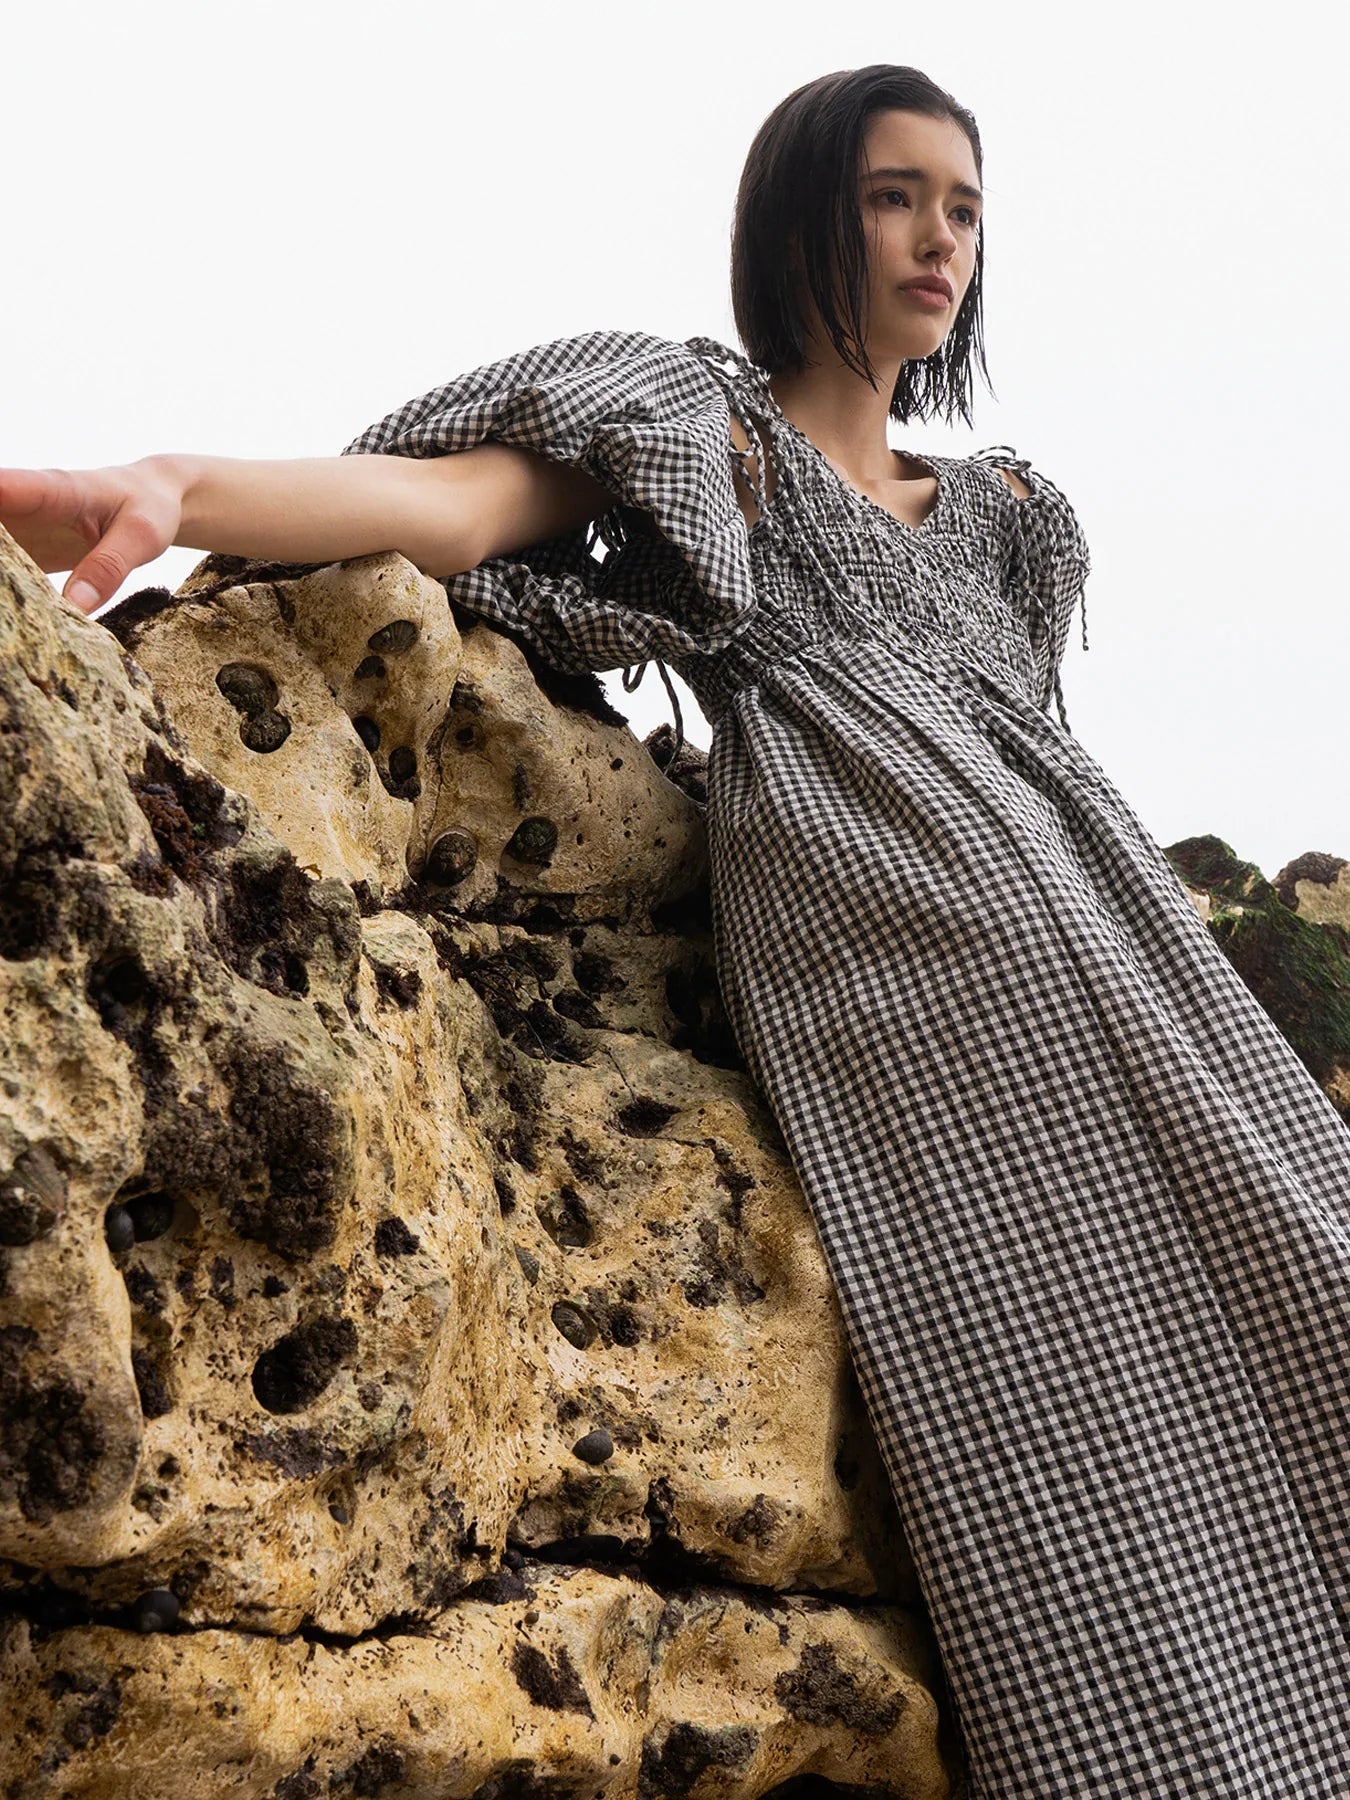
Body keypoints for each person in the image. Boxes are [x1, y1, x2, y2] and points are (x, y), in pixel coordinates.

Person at [5, 60, 1350, 1800]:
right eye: (893, 195)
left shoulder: (1012, 520)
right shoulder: (714, 439)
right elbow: (452, 508)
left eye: (962, 206)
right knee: (1047, 1369)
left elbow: (1047, 745)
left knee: (1296, 1258)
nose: (937, 238)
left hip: (1097, 915)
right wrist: (173, 484)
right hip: (894, 927)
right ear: (803, 212)